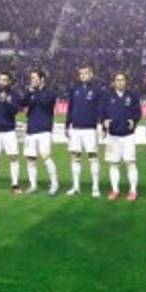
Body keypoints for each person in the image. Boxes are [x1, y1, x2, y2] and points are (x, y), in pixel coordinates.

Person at [101, 72, 142, 202]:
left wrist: (134, 120)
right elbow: (102, 112)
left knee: (130, 163)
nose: (119, 82)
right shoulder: (107, 96)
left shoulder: (132, 96)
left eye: (122, 80)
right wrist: (103, 122)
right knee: (114, 164)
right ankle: (115, 190)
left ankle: (133, 190)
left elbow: (138, 112)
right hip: (113, 136)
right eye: (117, 80)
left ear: (126, 81)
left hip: (128, 136)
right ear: (113, 82)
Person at [65, 64, 105, 197]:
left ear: (91, 74)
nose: (83, 76)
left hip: (90, 129)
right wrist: (67, 125)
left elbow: (100, 109)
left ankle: (95, 187)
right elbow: (70, 108)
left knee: (93, 157)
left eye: (85, 73)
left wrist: (100, 125)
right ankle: (76, 186)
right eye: (81, 74)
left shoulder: (97, 90)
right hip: (76, 128)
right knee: (75, 157)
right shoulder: (74, 89)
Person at [21, 69, 58, 195]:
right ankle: (33, 185)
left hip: (44, 129)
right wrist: (30, 92)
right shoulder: (31, 92)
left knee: (45, 156)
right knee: (30, 159)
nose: (32, 80)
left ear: (42, 79)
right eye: (31, 78)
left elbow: (45, 103)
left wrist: (34, 92)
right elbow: (23, 103)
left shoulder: (49, 93)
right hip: (31, 129)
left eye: (34, 78)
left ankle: (54, 184)